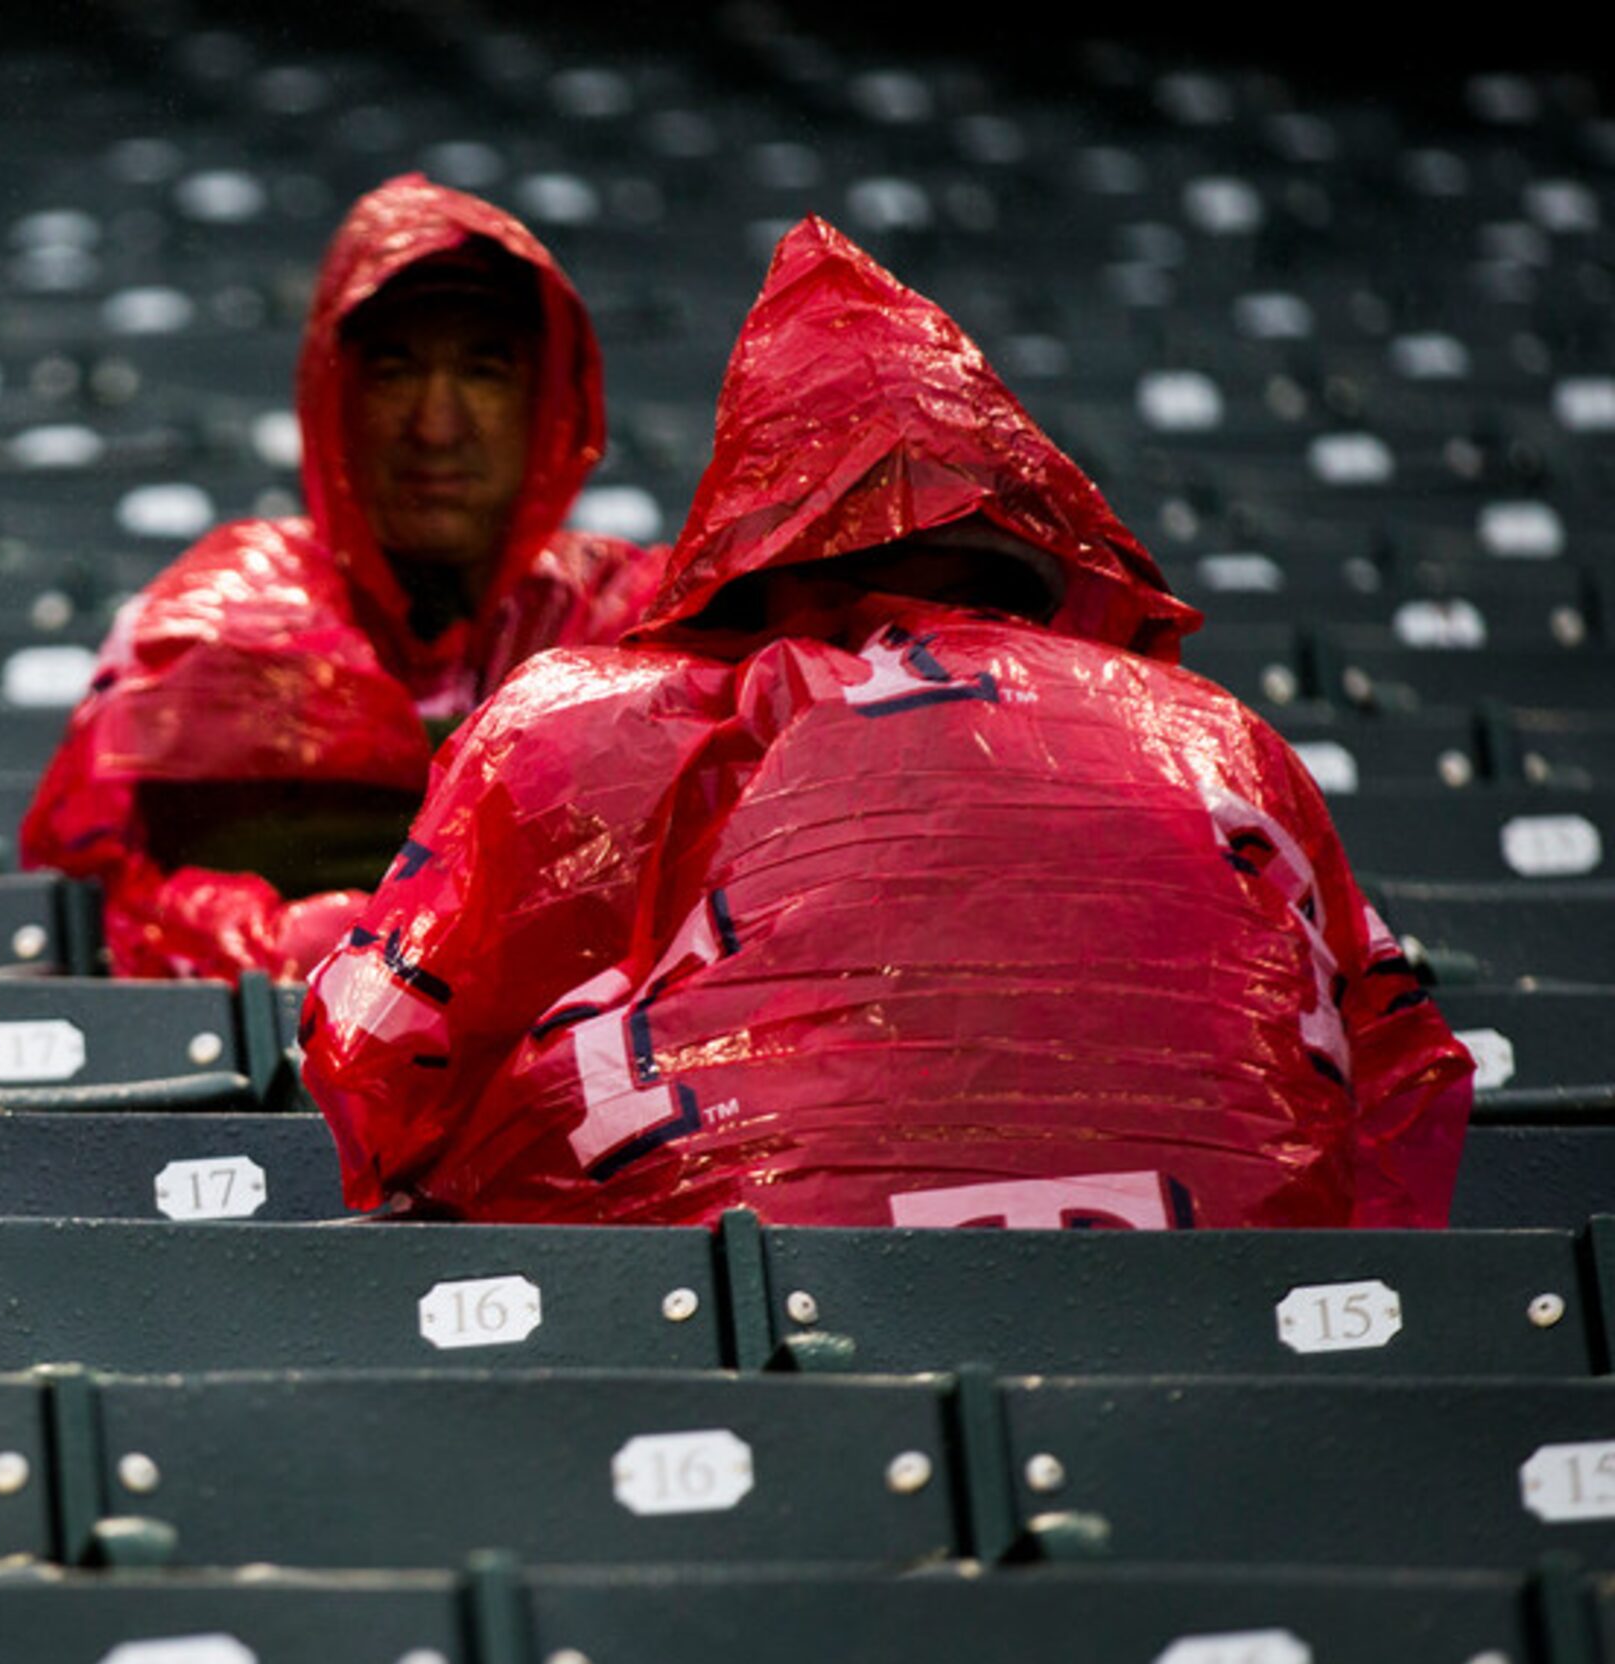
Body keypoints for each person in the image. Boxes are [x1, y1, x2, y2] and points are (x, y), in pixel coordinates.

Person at [301, 217, 1472, 1230]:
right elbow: (1404, 1093)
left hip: (733, 1345)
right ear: (1029, 540)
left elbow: (375, 1065)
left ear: (748, 541)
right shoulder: (1221, 737)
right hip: (1228, 1350)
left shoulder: (592, 720)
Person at [18, 173, 664, 982]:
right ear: (332, 400)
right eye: (393, 371)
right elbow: (114, 893)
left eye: (485, 370)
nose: (436, 426)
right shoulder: (212, 626)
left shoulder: (627, 620)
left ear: (549, 404)